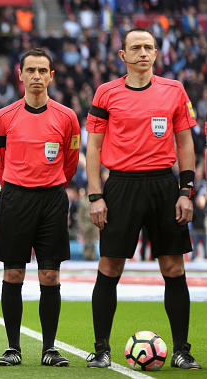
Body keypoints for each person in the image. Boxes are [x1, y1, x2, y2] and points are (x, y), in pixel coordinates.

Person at [86, 27, 201, 370]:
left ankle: (181, 349)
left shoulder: (174, 90)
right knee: (110, 267)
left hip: (164, 186)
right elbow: (92, 147)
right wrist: (95, 195)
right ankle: (101, 348)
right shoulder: (106, 93)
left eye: (149, 47)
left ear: (156, 52)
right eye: (135, 47)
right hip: (120, 186)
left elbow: (185, 144)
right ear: (122, 55)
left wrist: (186, 191)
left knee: (173, 267)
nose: (143, 53)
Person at [0, 48, 80, 367]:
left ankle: (49, 349)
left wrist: (49, 182)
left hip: (52, 199)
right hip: (16, 198)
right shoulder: (3, 117)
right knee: (13, 273)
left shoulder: (67, 117)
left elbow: (70, 163)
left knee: (50, 275)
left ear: (51, 76)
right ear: (21, 75)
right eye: (31, 70)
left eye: (43, 70)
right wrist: (14, 185)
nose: (37, 76)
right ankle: (13, 348)